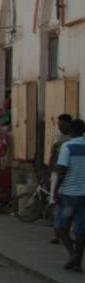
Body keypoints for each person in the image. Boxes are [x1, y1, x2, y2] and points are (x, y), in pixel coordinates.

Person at [53, 118, 85, 272]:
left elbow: (62, 170)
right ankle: (78, 261)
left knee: (60, 226)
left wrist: (55, 190)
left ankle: (72, 254)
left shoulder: (68, 146)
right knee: (81, 228)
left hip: (69, 195)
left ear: (71, 130)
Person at [46, 114, 73, 244]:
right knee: (55, 202)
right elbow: (52, 154)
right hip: (57, 172)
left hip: (69, 174)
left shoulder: (73, 138)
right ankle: (58, 234)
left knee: (67, 204)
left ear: (69, 124)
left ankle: (65, 232)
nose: (60, 127)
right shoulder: (57, 137)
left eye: (62, 124)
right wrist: (49, 170)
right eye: (58, 124)